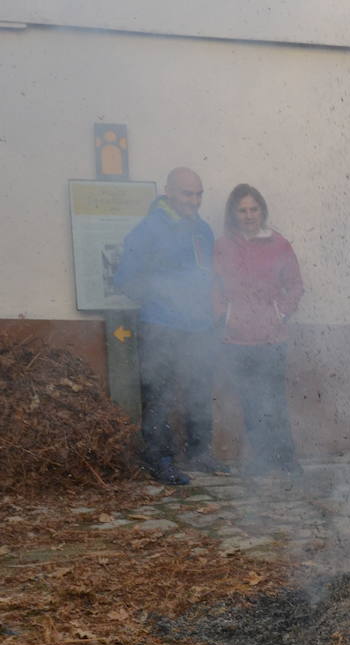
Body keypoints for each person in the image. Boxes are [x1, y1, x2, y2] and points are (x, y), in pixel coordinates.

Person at [114, 167, 224, 485]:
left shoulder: (202, 230)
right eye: (187, 193)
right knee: (159, 396)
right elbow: (125, 278)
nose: (194, 200)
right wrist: (161, 299)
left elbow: (208, 276)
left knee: (199, 391)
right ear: (169, 191)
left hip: (199, 328)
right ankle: (158, 459)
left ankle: (201, 453)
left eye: (199, 194)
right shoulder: (147, 230)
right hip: (161, 326)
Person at [213, 184, 305, 476]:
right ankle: (260, 462)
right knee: (250, 402)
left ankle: (287, 461)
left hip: (271, 339)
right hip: (237, 340)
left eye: (254, 209)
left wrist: (279, 313)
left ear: (262, 211)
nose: (249, 215)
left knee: (274, 401)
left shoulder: (279, 244)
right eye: (243, 210)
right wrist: (226, 316)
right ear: (234, 214)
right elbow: (213, 288)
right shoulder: (223, 246)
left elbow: (295, 285)